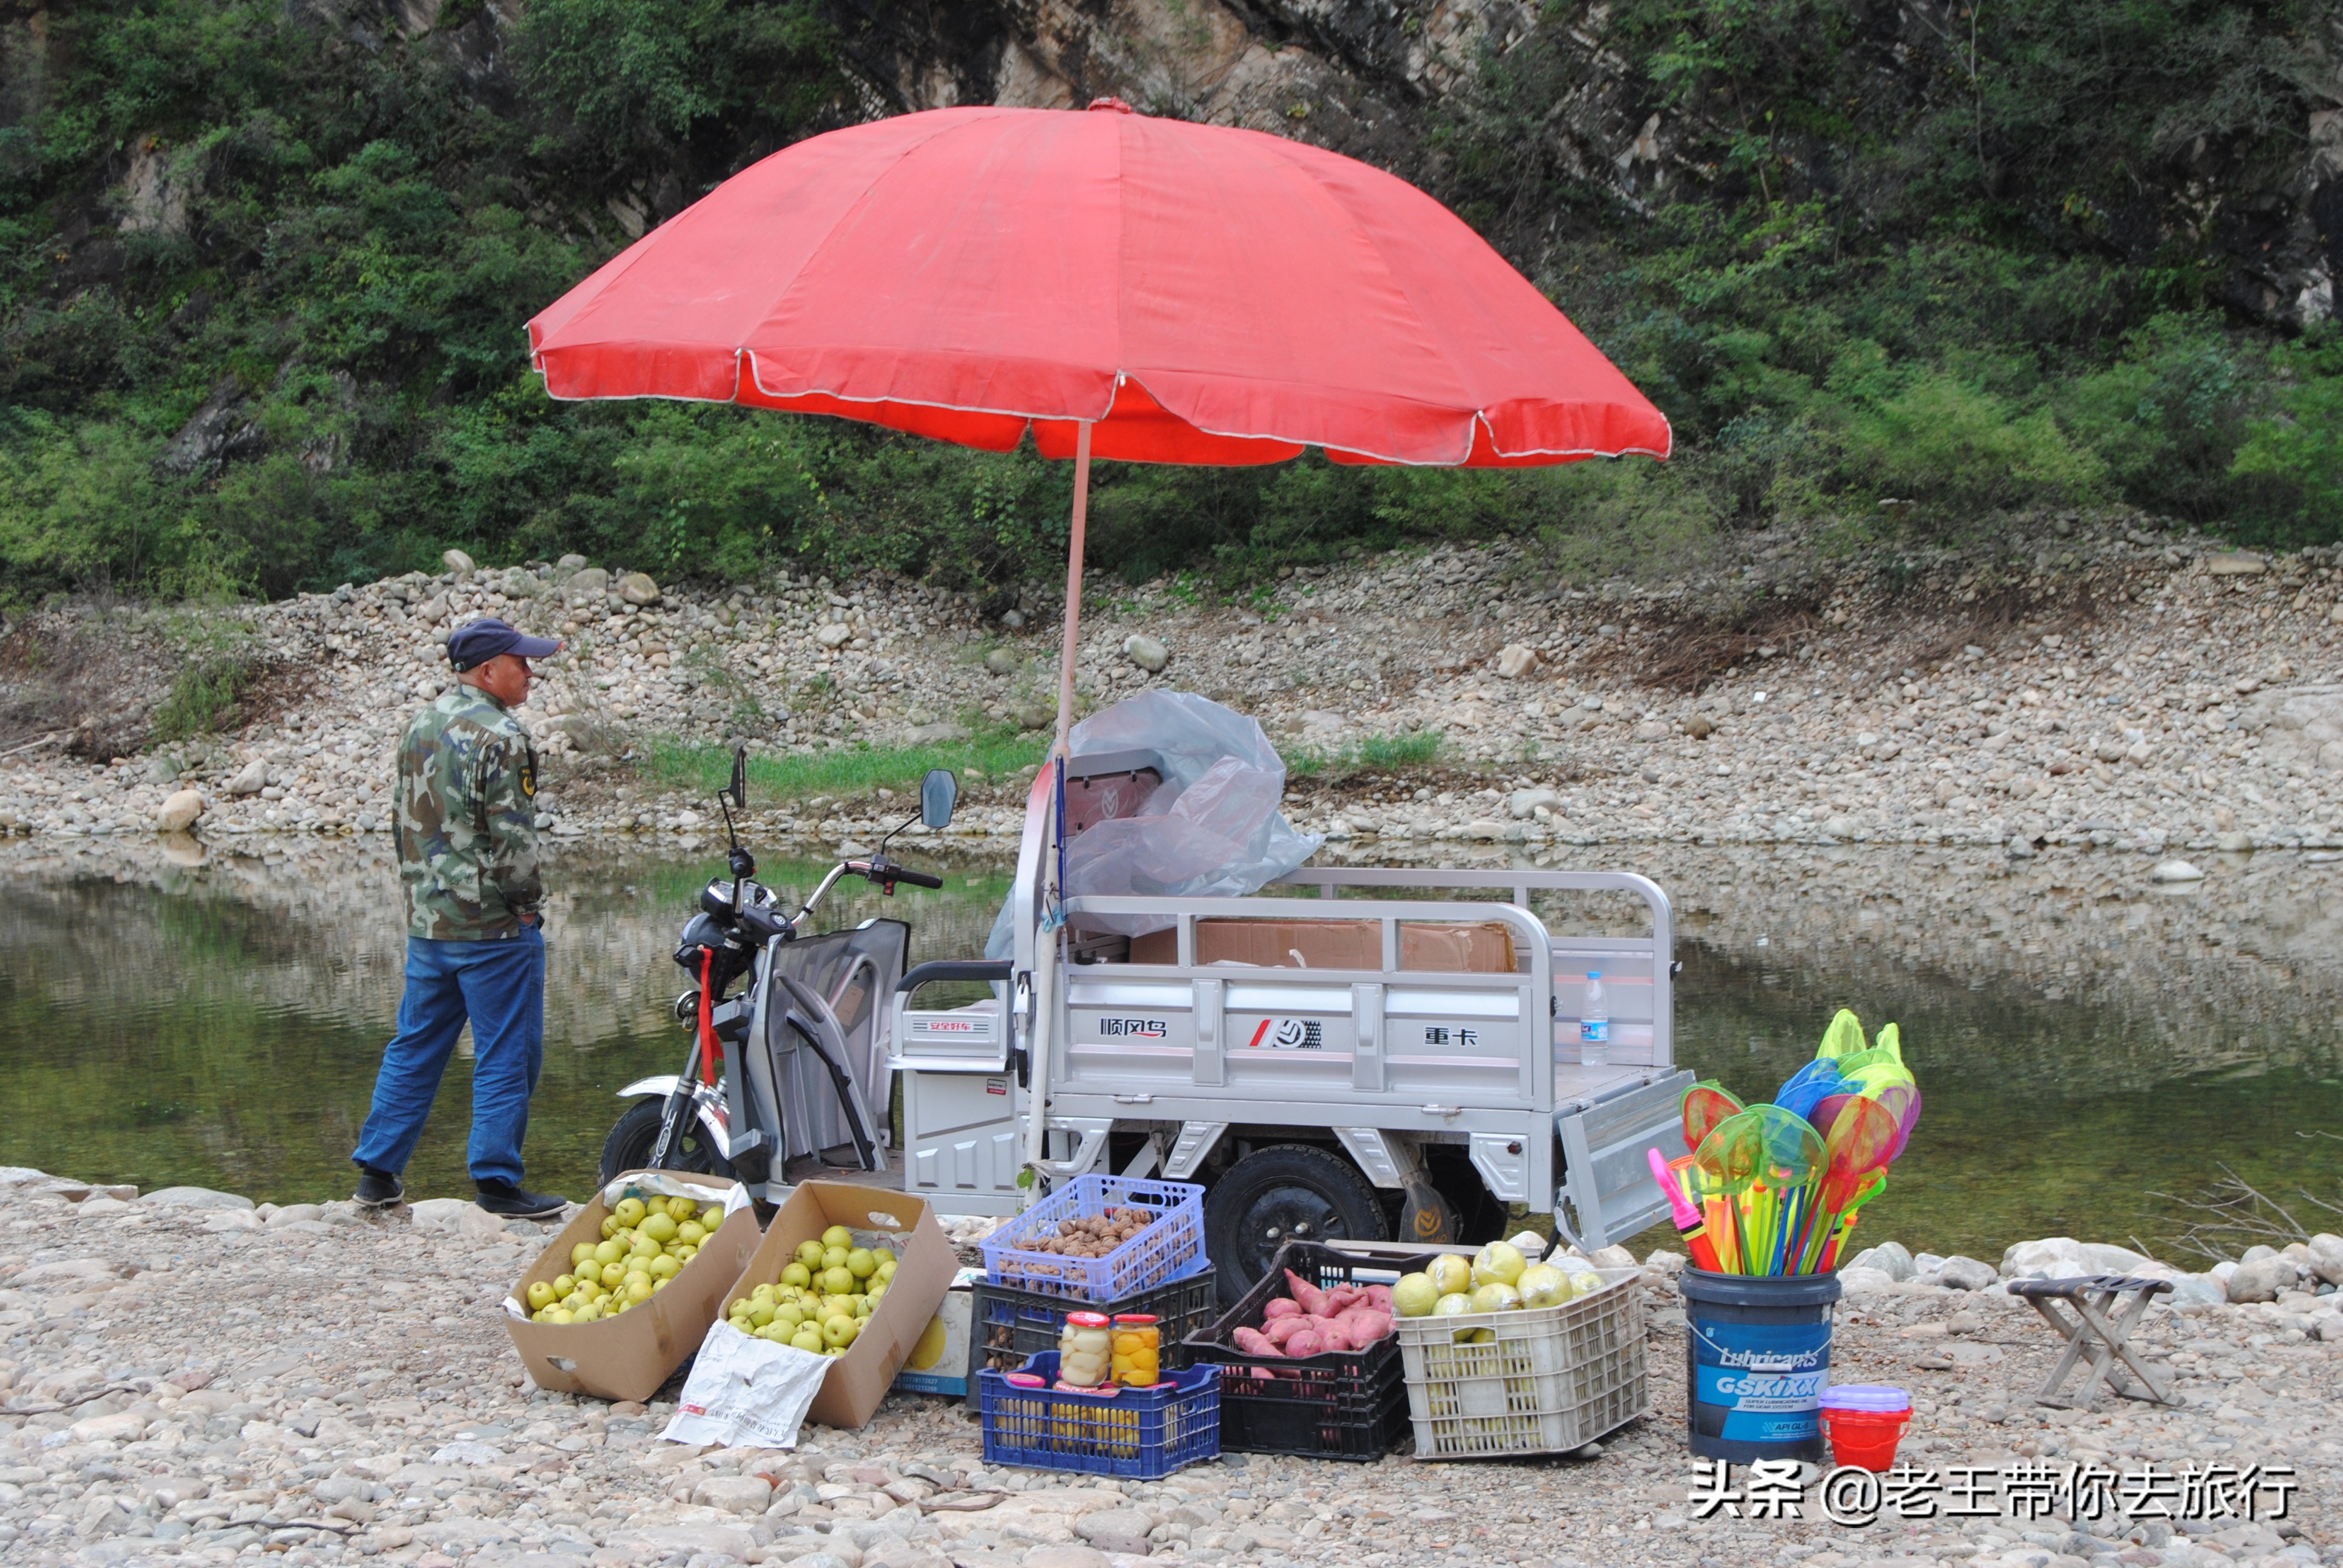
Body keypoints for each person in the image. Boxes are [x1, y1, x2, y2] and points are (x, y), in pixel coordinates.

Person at [352, 616, 570, 1218]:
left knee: (416, 1045)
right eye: (520, 662)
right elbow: (513, 839)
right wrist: (528, 909)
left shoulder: (419, 724)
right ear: (486, 671)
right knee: (506, 1052)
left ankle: (377, 1174)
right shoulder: (502, 734)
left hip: (430, 923)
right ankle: (498, 1184)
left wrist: (418, 901)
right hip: (493, 929)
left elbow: (401, 823)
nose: (529, 672)